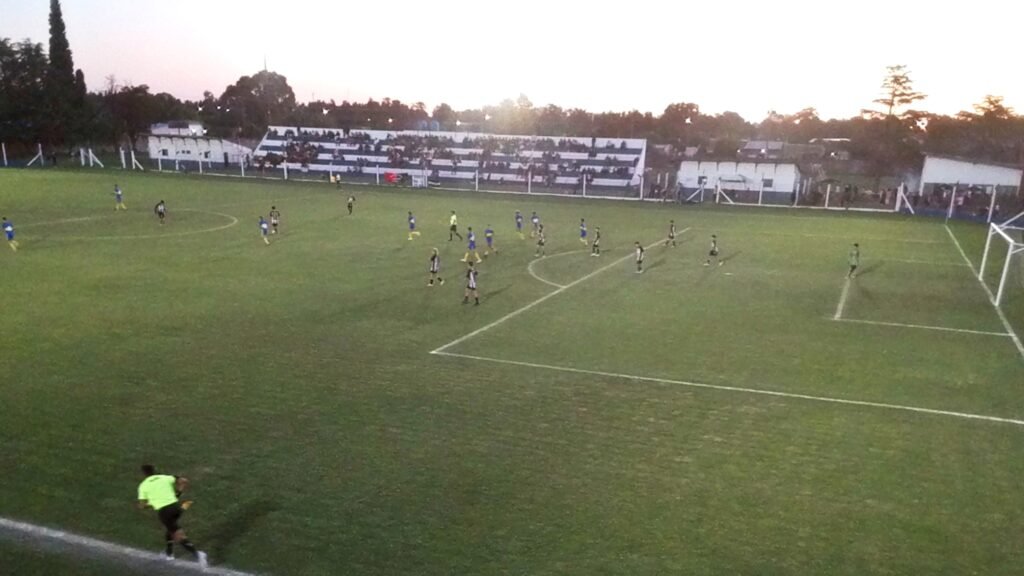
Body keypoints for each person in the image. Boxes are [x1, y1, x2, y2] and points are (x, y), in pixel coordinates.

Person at [136, 464, 208, 567]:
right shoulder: (164, 477)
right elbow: (184, 481)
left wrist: (151, 503)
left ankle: (198, 554)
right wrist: (178, 493)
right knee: (170, 529)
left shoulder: (143, 486)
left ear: (143, 473)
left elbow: (142, 506)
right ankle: (169, 554)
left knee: (178, 535)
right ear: (154, 470)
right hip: (175, 508)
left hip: (164, 512)